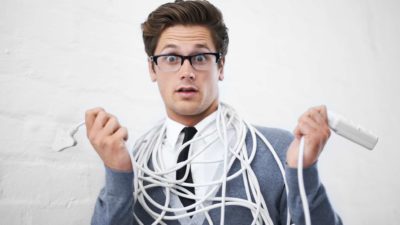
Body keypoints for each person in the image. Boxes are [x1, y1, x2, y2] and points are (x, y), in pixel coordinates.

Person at [86, 0, 343, 224]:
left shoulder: (278, 151)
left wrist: (302, 172)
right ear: (152, 69)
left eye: (200, 57)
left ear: (220, 66)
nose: (186, 72)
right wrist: (117, 173)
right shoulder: (137, 164)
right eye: (171, 58)